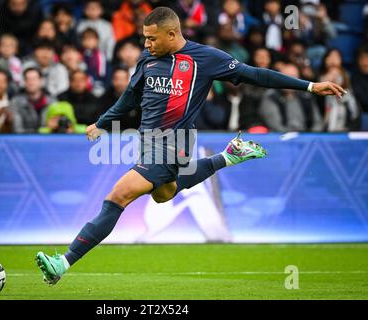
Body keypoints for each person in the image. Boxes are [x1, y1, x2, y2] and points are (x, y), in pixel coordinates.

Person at [35, 7, 346, 285]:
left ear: (173, 34)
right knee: (163, 194)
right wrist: (103, 122)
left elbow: (256, 75)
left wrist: (308, 86)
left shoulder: (207, 59)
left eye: (152, 38)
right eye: (145, 38)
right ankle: (229, 156)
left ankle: (63, 262)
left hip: (175, 145)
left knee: (118, 195)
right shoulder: (147, 59)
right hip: (148, 144)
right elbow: (129, 98)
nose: (146, 44)